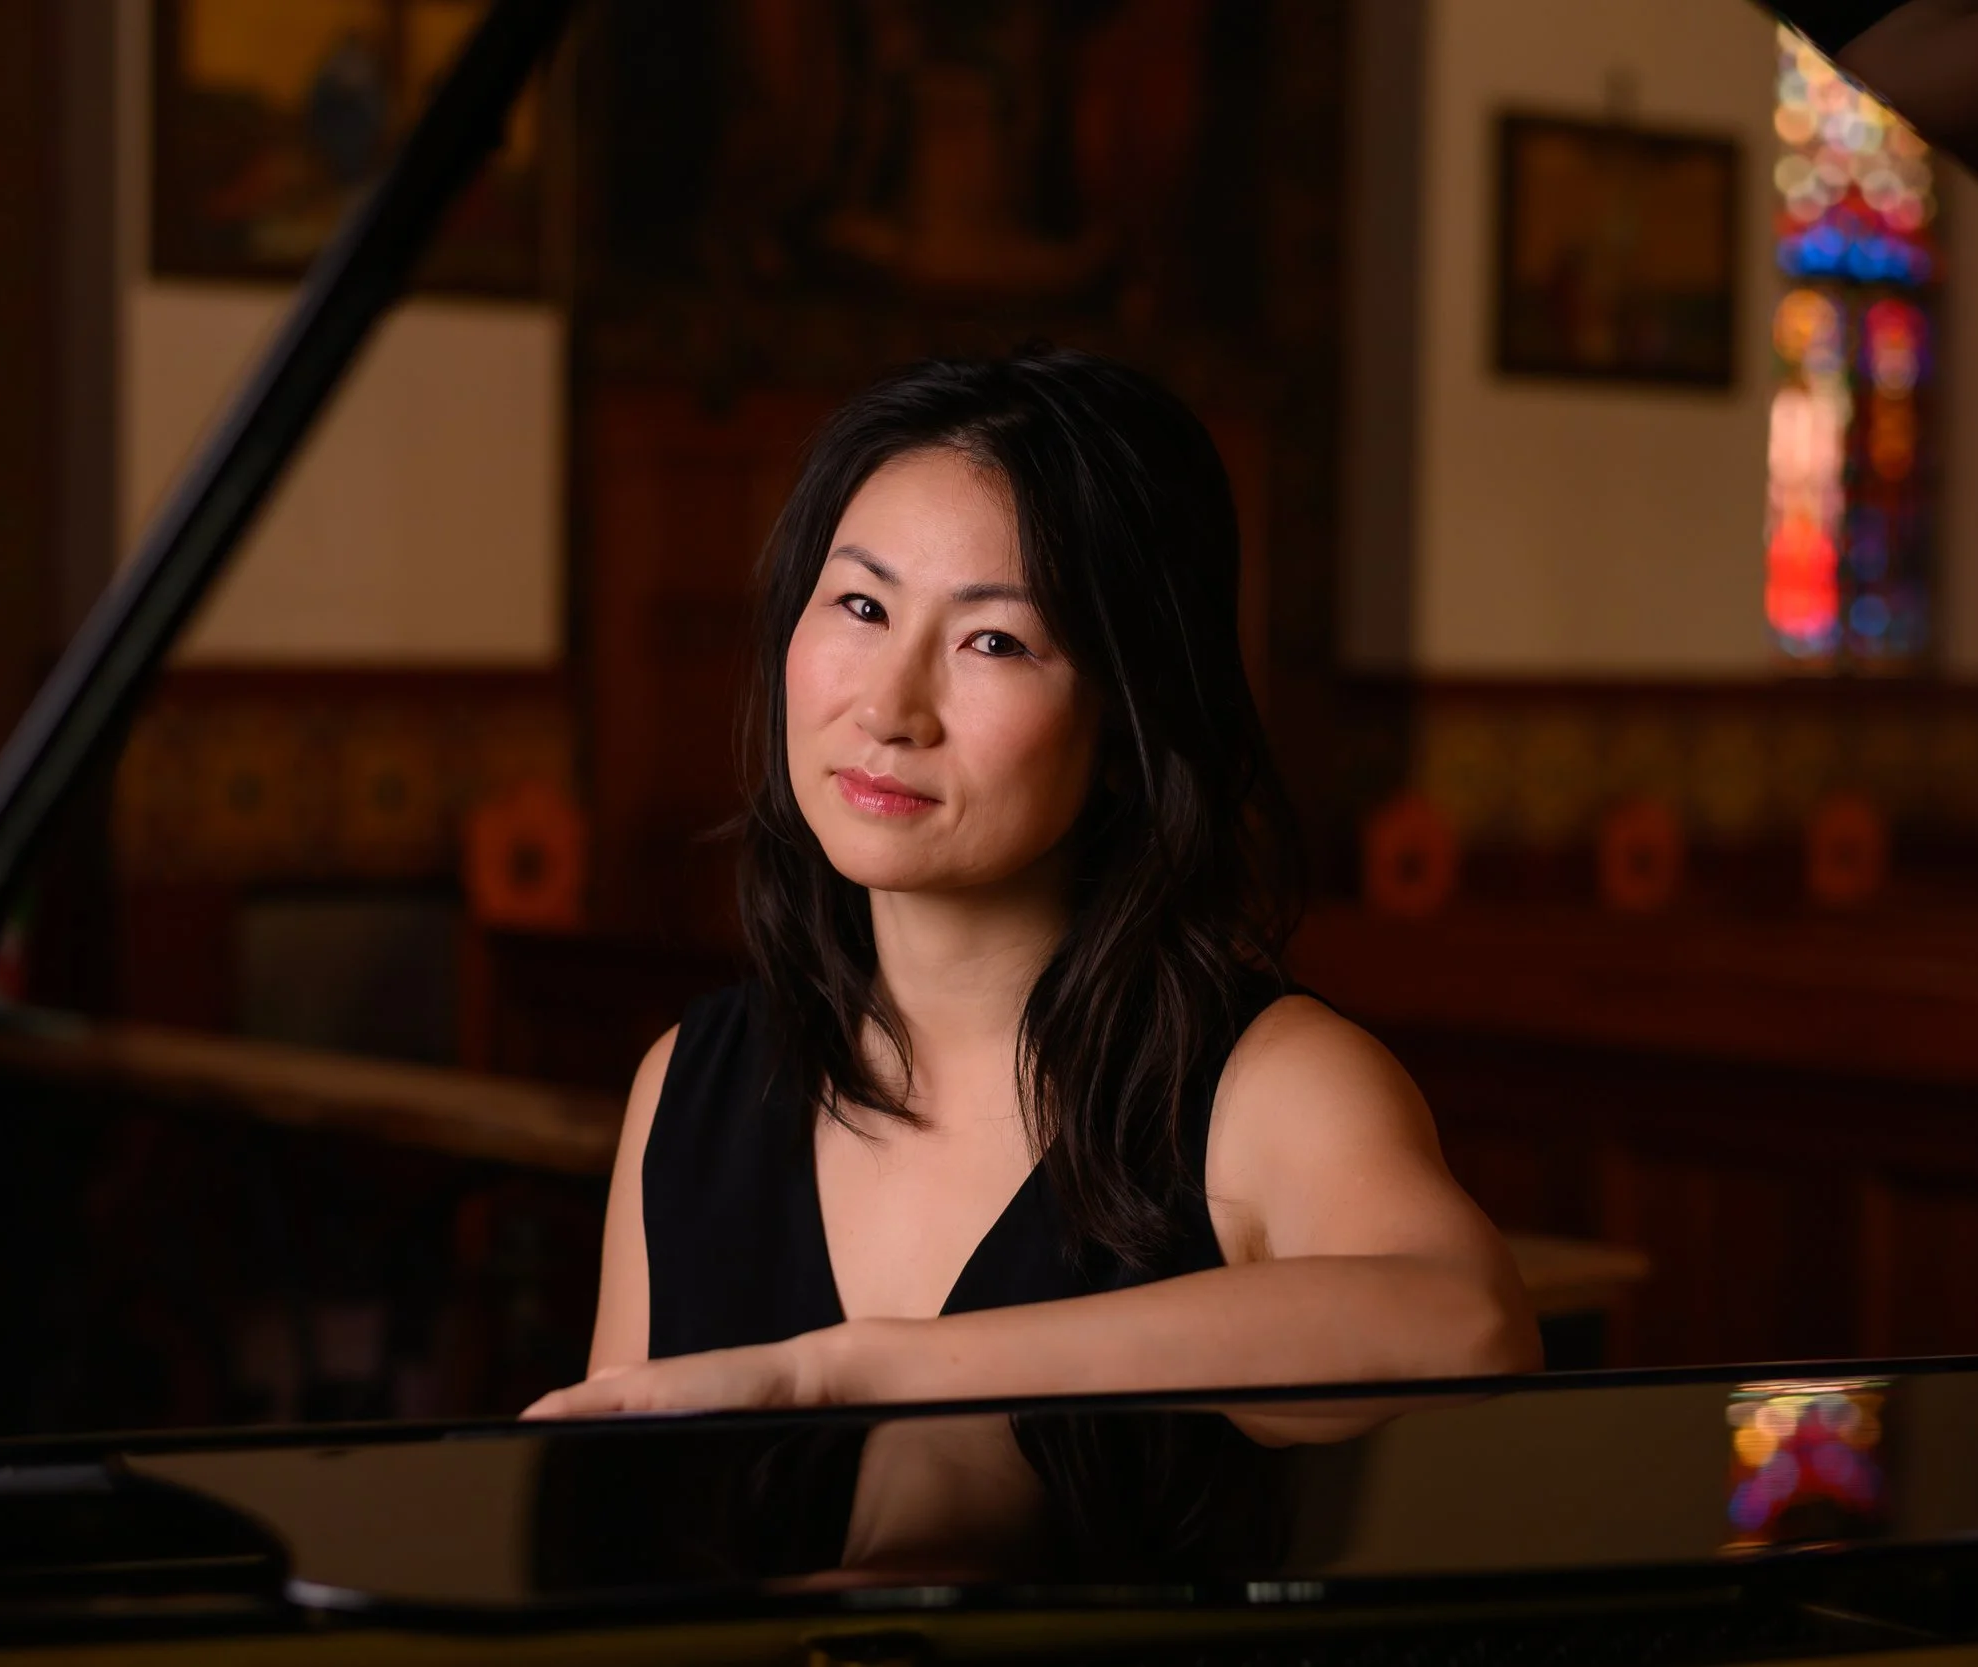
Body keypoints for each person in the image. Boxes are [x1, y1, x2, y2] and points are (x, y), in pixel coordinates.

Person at [524, 349, 1535, 1422]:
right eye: (861, 605)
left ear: (1123, 720)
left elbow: (1466, 1324)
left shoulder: (1269, 1082)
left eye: (993, 639)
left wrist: (848, 1372)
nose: (890, 707)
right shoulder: (693, 1082)